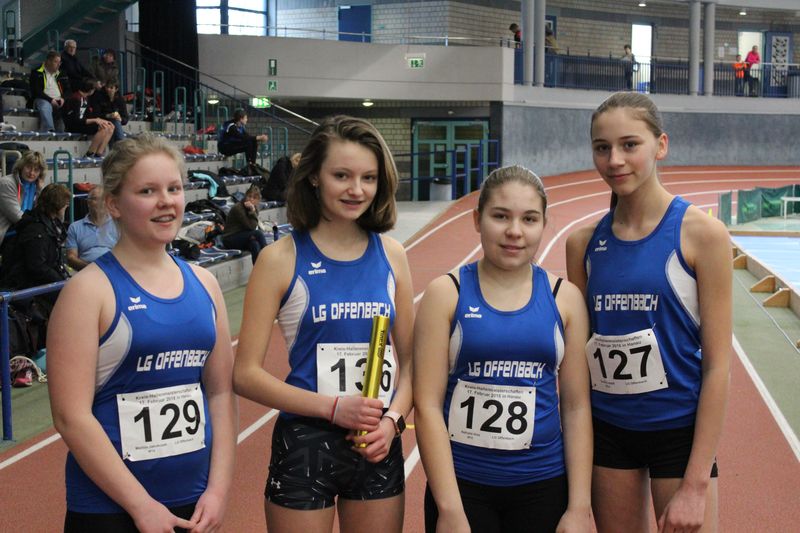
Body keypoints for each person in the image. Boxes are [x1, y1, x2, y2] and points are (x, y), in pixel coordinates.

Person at [47, 133, 237, 532]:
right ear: (114, 203)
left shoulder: (205, 284)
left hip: (195, 503)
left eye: (174, 188)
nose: (166, 201)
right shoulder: (88, 291)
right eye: (147, 191)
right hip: (109, 510)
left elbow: (220, 393)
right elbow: (71, 416)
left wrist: (219, 490)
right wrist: (141, 505)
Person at [232, 115, 414, 533]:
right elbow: (245, 375)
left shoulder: (393, 255)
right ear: (314, 176)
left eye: (369, 178)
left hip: (375, 440)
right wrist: (333, 408)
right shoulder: (279, 259)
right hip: (306, 441)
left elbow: (413, 363)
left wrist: (394, 421)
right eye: (342, 175)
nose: (357, 189)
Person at [565, 92, 732, 533]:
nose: (615, 160)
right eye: (602, 148)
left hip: (679, 432)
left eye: (629, 145)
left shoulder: (703, 235)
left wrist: (696, 484)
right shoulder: (582, 243)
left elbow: (718, 365)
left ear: (661, 145)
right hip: (608, 432)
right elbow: (580, 355)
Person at [415, 165, 593, 533]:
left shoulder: (566, 299)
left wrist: (579, 507)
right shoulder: (446, 294)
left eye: (529, 219)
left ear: (544, 224)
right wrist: (449, 508)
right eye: (500, 216)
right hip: (463, 486)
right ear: (477, 219)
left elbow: (576, 407)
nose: (514, 231)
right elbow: (428, 405)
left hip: (543, 484)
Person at [0, 182, 70, 292]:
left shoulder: (46, 222)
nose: (67, 207)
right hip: (27, 287)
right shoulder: (37, 230)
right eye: (65, 204)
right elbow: (37, 267)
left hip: (36, 282)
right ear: (58, 205)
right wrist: (63, 281)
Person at [65, 185, 119, 271]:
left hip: (114, 270)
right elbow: (71, 258)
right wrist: (92, 269)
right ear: (88, 203)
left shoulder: (119, 225)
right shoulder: (75, 227)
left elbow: (128, 254)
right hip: (85, 272)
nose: (100, 203)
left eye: (103, 199)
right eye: (96, 199)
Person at [0, 150, 47, 246]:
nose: (31, 173)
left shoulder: (35, 186)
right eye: (28, 167)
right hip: (6, 231)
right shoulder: (6, 183)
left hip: (23, 228)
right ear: (21, 166)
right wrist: (38, 225)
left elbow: (43, 212)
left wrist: (40, 190)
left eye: (36, 170)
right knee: (38, 235)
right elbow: (17, 217)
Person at [62, 78, 115, 157]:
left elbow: (89, 115)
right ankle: (90, 153)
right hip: (74, 125)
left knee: (110, 127)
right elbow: (76, 119)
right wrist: (95, 120)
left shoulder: (85, 98)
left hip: (82, 123)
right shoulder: (76, 98)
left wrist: (100, 120)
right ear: (91, 90)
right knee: (103, 128)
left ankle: (99, 153)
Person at [221, 184, 267, 264]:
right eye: (249, 196)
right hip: (230, 238)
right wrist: (252, 211)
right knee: (258, 233)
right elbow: (251, 227)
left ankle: (258, 269)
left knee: (255, 245)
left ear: (258, 201)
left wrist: (253, 211)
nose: (251, 199)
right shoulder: (238, 208)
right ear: (245, 196)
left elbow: (253, 225)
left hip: (242, 236)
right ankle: (268, 258)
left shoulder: (254, 208)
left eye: (254, 198)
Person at [30, 50, 68, 132]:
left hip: (59, 100)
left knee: (70, 105)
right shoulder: (36, 72)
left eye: (59, 62)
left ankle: (62, 134)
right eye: (56, 62)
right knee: (45, 105)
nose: (58, 64)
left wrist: (63, 98)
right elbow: (36, 91)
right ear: (48, 61)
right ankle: (49, 130)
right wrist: (50, 100)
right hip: (43, 99)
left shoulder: (61, 74)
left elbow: (68, 90)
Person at [90, 79, 129, 145]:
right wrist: (108, 115)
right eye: (107, 87)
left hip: (113, 124)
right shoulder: (99, 96)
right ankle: (122, 145)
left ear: (116, 89)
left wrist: (120, 119)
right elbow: (96, 114)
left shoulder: (120, 99)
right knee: (113, 124)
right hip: (101, 121)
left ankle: (119, 145)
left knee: (115, 122)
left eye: (111, 88)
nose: (108, 89)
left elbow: (125, 118)